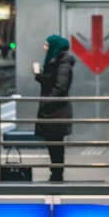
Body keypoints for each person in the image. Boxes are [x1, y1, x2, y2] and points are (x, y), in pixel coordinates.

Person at [34, 34, 75, 182]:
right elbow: (54, 83)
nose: (45, 48)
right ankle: (55, 173)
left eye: (47, 45)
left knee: (56, 144)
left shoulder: (62, 62)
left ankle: (57, 174)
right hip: (53, 109)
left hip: (57, 110)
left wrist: (47, 102)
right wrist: (40, 77)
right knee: (53, 143)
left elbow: (60, 87)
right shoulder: (58, 61)